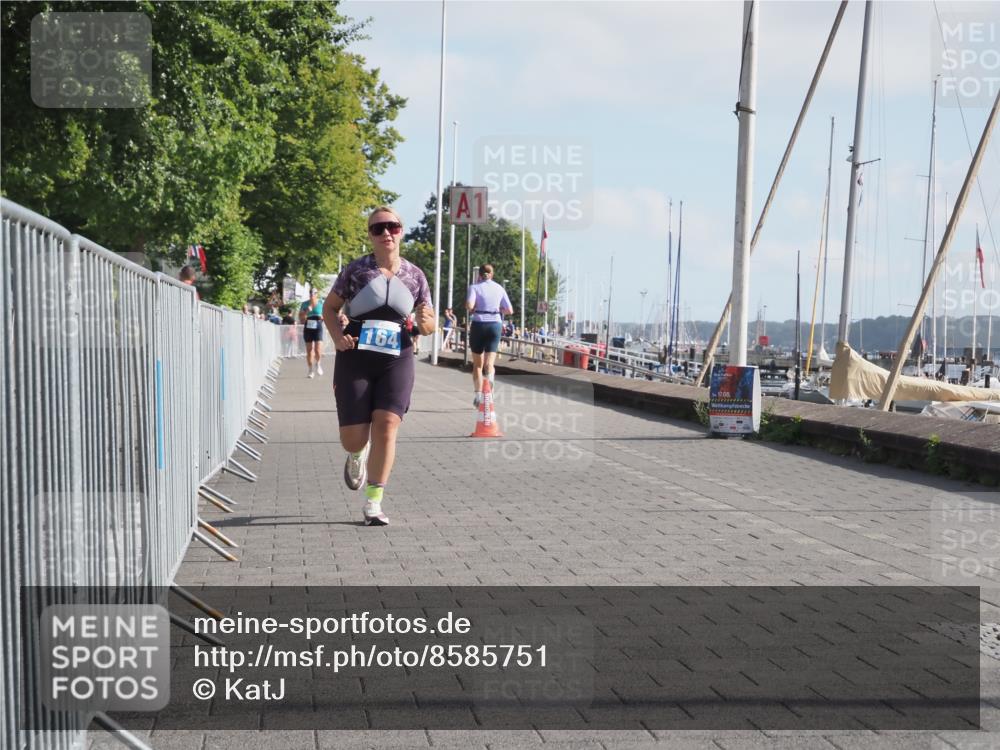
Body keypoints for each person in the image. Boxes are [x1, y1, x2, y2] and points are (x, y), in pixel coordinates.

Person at [322, 206, 435, 526]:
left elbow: (428, 325)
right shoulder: (356, 270)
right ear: (370, 235)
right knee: (353, 439)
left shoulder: (415, 275)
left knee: (387, 424)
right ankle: (357, 454)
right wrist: (337, 337)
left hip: (397, 356)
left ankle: (374, 503)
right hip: (356, 355)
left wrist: (426, 322)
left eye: (392, 227)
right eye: (378, 228)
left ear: (401, 231)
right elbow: (329, 308)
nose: (386, 232)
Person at [465, 264, 514, 406]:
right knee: (489, 364)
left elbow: (469, 305)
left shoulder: (474, 287)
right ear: (492, 274)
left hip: (479, 324)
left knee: (478, 365)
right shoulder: (500, 288)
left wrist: (474, 307)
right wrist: (498, 309)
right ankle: (489, 394)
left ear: (479, 275)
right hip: (495, 325)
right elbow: (510, 310)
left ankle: (478, 395)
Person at [299, 288, 325, 378]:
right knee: (309, 351)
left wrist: (322, 317)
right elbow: (301, 317)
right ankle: (310, 370)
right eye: (310, 293)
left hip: (318, 325)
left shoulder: (321, 302)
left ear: (317, 294)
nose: (312, 294)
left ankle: (318, 364)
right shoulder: (305, 304)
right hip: (308, 326)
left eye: (314, 293)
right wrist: (307, 310)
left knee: (318, 349)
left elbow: (327, 314)